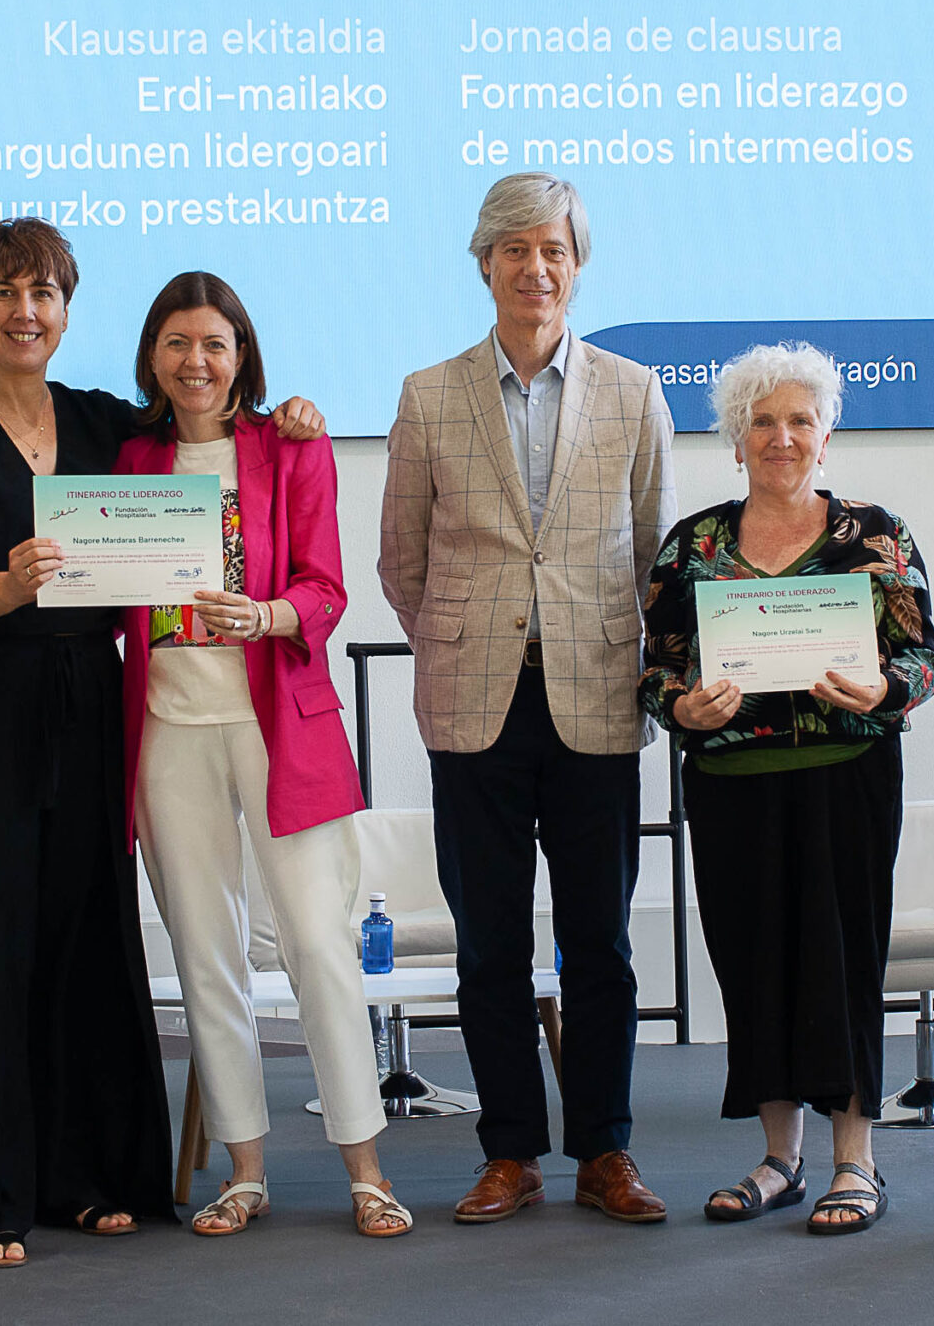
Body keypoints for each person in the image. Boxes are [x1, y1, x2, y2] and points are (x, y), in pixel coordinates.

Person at [0, 218, 325, 1266]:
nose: (24, 312)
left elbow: (210, 418)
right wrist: (3, 587)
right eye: (4, 293)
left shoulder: (104, 422)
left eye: (42, 293)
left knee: (87, 932)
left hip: (95, 695)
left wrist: (292, 416)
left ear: (66, 309)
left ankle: (88, 1178)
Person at [378, 172, 677, 1226]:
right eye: (514, 249)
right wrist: (464, 641)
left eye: (553, 250)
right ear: (485, 263)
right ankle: (509, 1151)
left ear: (576, 265)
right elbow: (402, 562)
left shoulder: (634, 393)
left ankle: (604, 1150)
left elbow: (655, 556)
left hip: (596, 696)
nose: (534, 268)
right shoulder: (429, 394)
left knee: (600, 943)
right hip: (475, 704)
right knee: (490, 944)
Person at [114, 271, 409, 1239]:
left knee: (319, 943)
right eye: (176, 343)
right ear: (151, 356)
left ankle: (366, 1168)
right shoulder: (129, 458)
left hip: (280, 720)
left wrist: (269, 613)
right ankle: (244, 1172)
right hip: (167, 726)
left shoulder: (292, 445)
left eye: (214, 342)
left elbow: (326, 587)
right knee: (205, 952)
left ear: (242, 354)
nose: (194, 361)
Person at [640, 343, 934, 1235]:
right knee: (754, 965)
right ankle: (780, 1158)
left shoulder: (876, 534)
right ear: (735, 439)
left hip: (847, 778)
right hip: (732, 784)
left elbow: (925, 658)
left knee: (844, 964)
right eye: (761, 422)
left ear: (826, 434)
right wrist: (681, 706)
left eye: (799, 420)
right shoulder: (692, 545)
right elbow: (655, 668)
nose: (781, 437)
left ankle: (856, 1159)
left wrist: (885, 688)